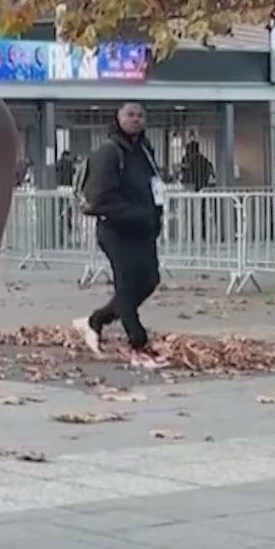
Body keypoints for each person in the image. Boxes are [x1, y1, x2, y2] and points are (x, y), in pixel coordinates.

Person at [74, 102, 170, 370]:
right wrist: (136, 214)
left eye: (140, 115)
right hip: (116, 230)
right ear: (118, 119)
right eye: (130, 115)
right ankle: (138, 344)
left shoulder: (145, 153)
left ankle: (96, 320)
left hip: (144, 231)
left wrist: (154, 218)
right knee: (126, 286)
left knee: (149, 280)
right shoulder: (108, 152)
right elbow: (99, 198)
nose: (136, 119)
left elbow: (154, 188)